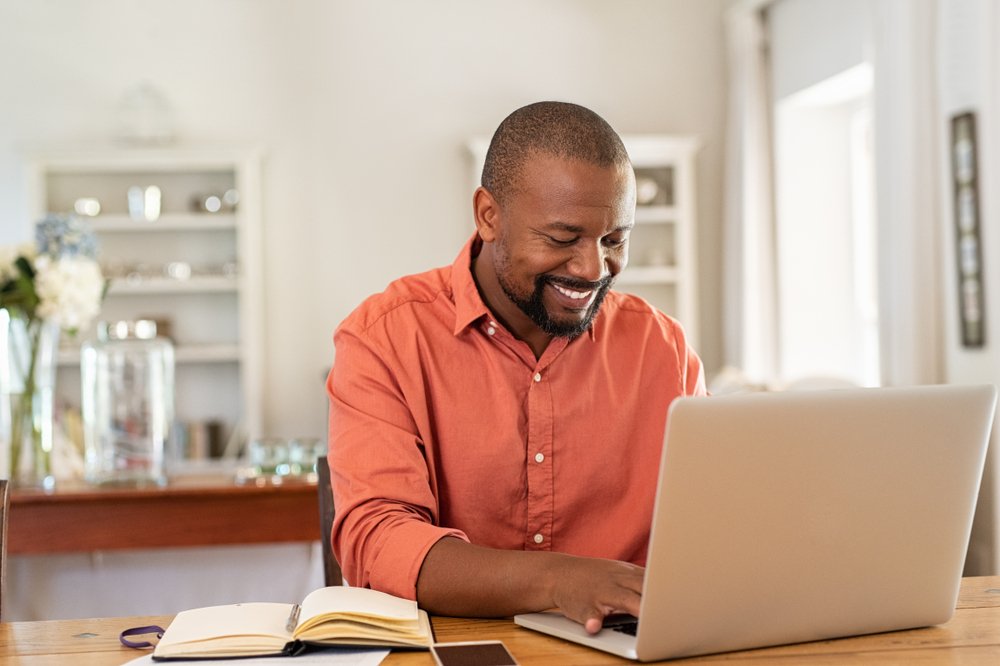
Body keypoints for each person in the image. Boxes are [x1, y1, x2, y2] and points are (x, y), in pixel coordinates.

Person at [327, 101, 706, 634]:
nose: (593, 268)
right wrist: (559, 581)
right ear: (488, 215)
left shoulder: (663, 349)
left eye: (614, 240)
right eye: (562, 238)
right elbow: (378, 541)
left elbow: (707, 529)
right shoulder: (383, 338)